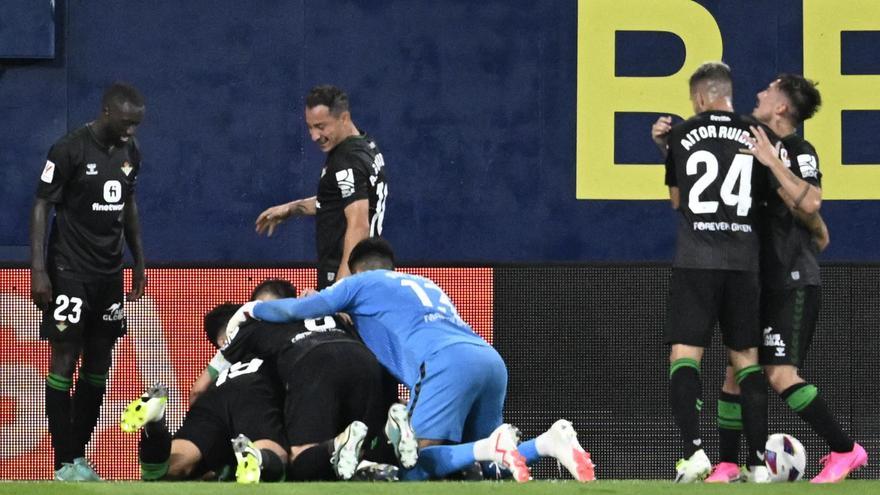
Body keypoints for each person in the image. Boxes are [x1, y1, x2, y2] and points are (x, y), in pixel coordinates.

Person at [227, 237, 596, 483]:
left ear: (358, 270)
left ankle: (495, 444)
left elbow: (302, 307)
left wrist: (253, 309)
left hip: (444, 365)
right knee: (485, 469)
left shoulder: (361, 284)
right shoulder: (424, 282)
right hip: (489, 360)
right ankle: (550, 442)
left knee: (414, 467)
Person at [703, 75, 868, 484]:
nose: (757, 93)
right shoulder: (751, 140)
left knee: (779, 375)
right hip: (755, 278)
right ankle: (726, 465)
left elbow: (811, 199)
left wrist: (771, 161)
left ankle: (846, 450)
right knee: (735, 373)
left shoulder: (796, 149)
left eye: (767, 92)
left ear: (781, 107)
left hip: (791, 279)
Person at [652, 62, 771, 482]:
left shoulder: (684, 133)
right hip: (743, 262)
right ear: (727, 93)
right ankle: (757, 464)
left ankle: (694, 452)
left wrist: (665, 148)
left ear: (700, 97)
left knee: (685, 355)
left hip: (696, 261)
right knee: (746, 361)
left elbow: (677, 200)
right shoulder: (757, 133)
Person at [30, 82, 147, 481]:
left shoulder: (130, 152)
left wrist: (139, 262)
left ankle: (78, 458)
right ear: (107, 113)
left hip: (109, 274)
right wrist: (38, 270)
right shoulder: (69, 149)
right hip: (69, 270)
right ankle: (63, 462)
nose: (132, 131)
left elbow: (128, 206)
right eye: (128, 123)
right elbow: (42, 205)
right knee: (65, 357)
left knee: (100, 364)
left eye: (138, 124)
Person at [209, 303, 400, 481]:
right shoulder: (323, 310)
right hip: (364, 359)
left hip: (312, 363)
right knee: (366, 444)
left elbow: (223, 365)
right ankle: (387, 435)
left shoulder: (251, 326)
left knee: (301, 459)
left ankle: (335, 445)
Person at [119, 304, 288, 483]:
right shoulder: (273, 347)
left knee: (171, 470)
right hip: (254, 392)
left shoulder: (220, 369)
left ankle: (156, 424)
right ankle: (259, 458)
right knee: (274, 455)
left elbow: (197, 392)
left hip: (213, 396)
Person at [255, 85, 388, 289]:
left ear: (344, 118)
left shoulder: (346, 161)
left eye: (321, 126)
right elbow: (341, 199)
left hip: (347, 276)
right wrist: (293, 208)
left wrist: (339, 292)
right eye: (310, 127)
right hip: (367, 272)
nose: (314, 136)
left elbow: (359, 225)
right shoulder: (365, 144)